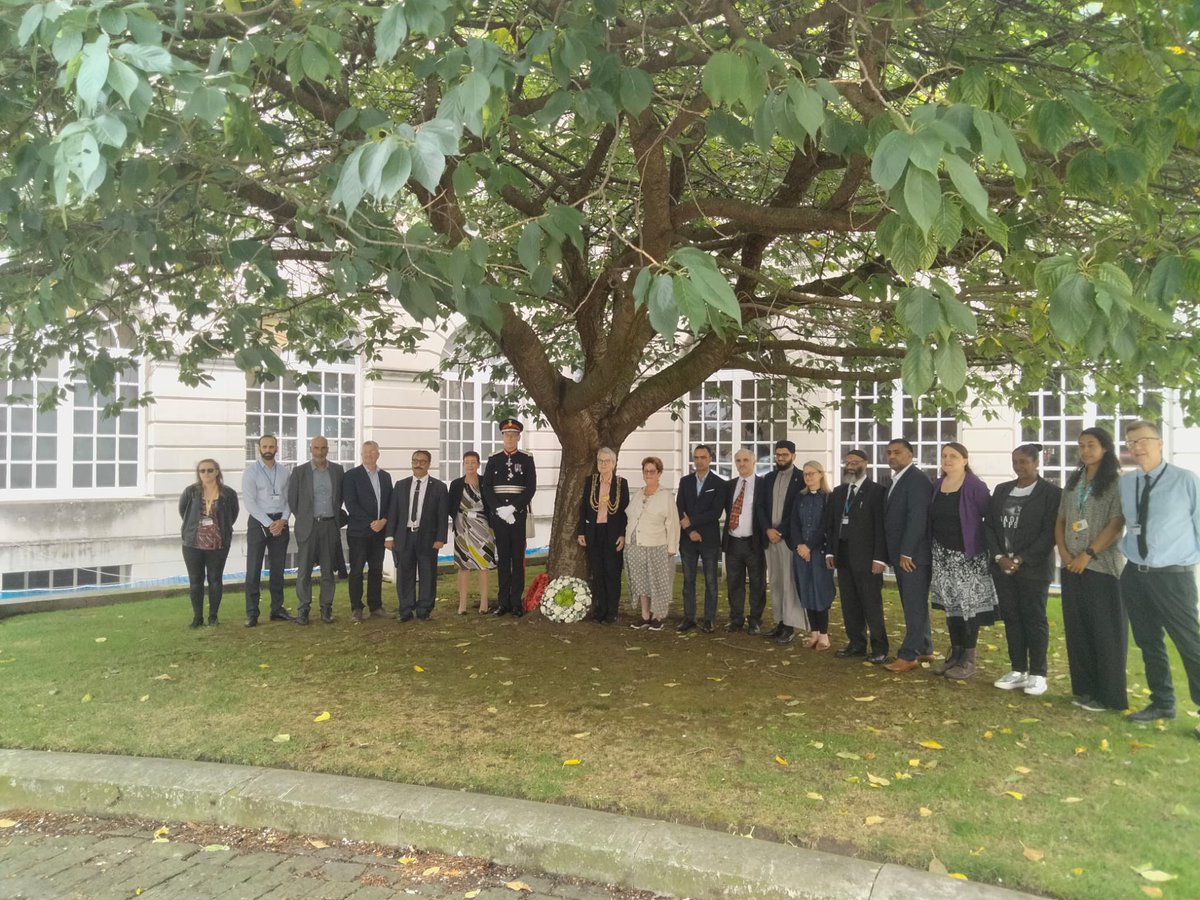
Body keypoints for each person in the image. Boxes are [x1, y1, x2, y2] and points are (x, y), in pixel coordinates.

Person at [1118, 421, 1200, 737]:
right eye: (1130, 442)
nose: (1136, 447)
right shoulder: (1128, 483)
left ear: (1160, 443)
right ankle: (1162, 702)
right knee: (1148, 641)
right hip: (1136, 574)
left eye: (1143, 440)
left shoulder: (1185, 480)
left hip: (1173, 577)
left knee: (1189, 643)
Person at [1056, 427, 1128, 712]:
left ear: (1105, 448)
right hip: (1071, 565)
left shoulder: (1114, 483)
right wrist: (1062, 551)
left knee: (1105, 632)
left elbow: (1116, 522)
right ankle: (1084, 689)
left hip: (1101, 567)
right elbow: (1061, 518)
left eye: (1091, 445)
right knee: (1079, 630)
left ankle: (1108, 696)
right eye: (1081, 445)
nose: (1085, 450)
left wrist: (1088, 554)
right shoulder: (1074, 480)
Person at [985, 444, 1063, 696]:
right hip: (1002, 567)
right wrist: (999, 557)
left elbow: (1049, 532)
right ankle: (1018, 669)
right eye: (1015, 462)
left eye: (1024, 462)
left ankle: (1038, 673)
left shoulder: (1051, 493)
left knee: (1034, 619)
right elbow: (989, 527)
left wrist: (1020, 559)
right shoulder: (1002, 490)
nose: (1019, 467)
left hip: (1033, 569)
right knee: (1011, 618)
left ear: (1036, 463)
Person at [927, 442, 997, 680]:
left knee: (969, 610)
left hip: (968, 558)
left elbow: (990, 517)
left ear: (965, 460)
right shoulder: (937, 485)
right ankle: (955, 655)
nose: (948, 460)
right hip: (943, 557)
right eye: (944, 456)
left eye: (953, 456)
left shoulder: (975, 486)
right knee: (952, 609)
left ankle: (969, 659)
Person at [823, 449, 889, 663]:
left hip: (868, 559)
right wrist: (830, 551)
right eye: (847, 462)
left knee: (871, 604)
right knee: (849, 604)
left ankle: (879, 648)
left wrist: (880, 558)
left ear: (865, 464)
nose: (850, 465)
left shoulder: (877, 491)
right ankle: (856, 644)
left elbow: (881, 527)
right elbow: (832, 525)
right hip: (843, 557)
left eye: (855, 462)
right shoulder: (838, 492)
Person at [882, 439, 934, 673]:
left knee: (913, 605)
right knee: (914, 603)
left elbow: (918, 518)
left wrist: (906, 552)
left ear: (910, 455)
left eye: (897, 452)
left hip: (913, 556)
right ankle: (924, 647)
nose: (892, 456)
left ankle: (909, 654)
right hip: (903, 554)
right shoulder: (898, 478)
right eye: (889, 452)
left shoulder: (917, 480)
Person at [385, 450, 450, 622]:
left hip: (428, 538)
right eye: (415, 460)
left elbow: (442, 515)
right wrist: (389, 537)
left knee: (427, 574)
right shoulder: (400, 485)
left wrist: (441, 538)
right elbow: (393, 513)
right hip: (404, 536)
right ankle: (405, 609)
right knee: (404, 574)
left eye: (422, 461)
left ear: (429, 464)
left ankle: (424, 609)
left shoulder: (439, 487)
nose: (418, 464)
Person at [287, 435, 345, 625]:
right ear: (311, 449)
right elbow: (293, 502)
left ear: (328, 449)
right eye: (316, 448)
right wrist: (304, 518)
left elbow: (339, 498)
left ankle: (326, 608)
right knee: (304, 571)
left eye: (323, 448)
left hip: (329, 526)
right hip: (308, 527)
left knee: (328, 571)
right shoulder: (299, 472)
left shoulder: (337, 470)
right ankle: (303, 609)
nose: (320, 452)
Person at [482, 418, 537, 617]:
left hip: (518, 516)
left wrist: (513, 507)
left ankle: (516, 603)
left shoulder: (526, 458)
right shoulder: (494, 458)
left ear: (519, 437)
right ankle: (503, 602)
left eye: (514, 435)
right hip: (499, 517)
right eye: (507, 434)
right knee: (503, 559)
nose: (510, 438)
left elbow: (530, 488)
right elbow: (487, 487)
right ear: (502, 436)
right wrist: (499, 509)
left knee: (517, 558)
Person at [179, 459, 239, 628]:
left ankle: (213, 616)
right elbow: (183, 512)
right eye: (202, 471)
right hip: (193, 543)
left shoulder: (228, 494)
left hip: (218, 543)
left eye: (210, 470)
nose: (206, 474)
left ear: (217, 472)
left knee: (215, 579)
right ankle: (197, 617)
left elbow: (232, 515)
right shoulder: (190, 492)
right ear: (198, 474)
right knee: (196, 580)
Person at [756, 440, 806, 641]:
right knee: (775, 581)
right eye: (778, 455)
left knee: (789, 582)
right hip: (770, 539)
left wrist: (781, 531)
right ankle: (779, 621)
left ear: (793, 455)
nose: (780, 458)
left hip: (788, 539)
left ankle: (790, 625)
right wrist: (768, 529)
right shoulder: (768, 478)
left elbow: (797, 510)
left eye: (784, 455)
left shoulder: (801, 478)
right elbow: (760, 506)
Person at [241, 435, 293, 627]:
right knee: (253, 569)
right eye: (265, 446)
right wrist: (268, 523)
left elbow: (290, 500)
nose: (268, 449)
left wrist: (283, 520)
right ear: (259, 448)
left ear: (277, 448)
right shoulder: (250, 473)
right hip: (258, 522)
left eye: (271, 446)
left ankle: (277, 609)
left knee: (278, 569)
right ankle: (252, 613)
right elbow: (249, 502)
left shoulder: (284, 472)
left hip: (281, 521)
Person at [676, 444, 727, 633]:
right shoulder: (685, 481)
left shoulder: (719, 483)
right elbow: (679, 507)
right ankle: (689, 618)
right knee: (688, 581)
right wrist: (689, 530)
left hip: (709, 539)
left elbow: (716, 512)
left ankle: (709, 619)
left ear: (710, 459)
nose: (699, 461)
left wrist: (693, 521)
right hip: (688, 539)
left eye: (703, 457)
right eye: (696, 457)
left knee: (711, 581)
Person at [626, 457, 680, 630]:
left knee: (657, 582)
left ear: (659, 473)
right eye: (646, 471)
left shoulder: (666, 496)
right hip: (635, 546)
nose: (648, 474)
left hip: (657, 545)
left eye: (652, 471)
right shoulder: (638, 494)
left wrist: (672, 548)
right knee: (641, 581)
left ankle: (658, 616)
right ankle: (644, 615)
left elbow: (673, 523)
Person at [577, 447, 630, 625]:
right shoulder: (590, 482)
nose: (603, 464)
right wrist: (581, 531)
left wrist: (623, 535)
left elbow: (624, 512)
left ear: (614, 464)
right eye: (600, 461)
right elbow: (583, 508)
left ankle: (612, 612)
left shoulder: (622, 484)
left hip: (612, 533)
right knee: (597, 572)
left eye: (607, 461)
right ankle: (600, 610)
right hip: (594, 532)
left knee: (612, 572)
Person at [342, 441, 393, 623]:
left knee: (376, 570)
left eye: (372, 452)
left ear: (378, 454)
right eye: (366, 452)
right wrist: (372, 522)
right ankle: (356, 608)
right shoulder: (351, 476)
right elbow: (351, 504)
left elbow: (390, 503)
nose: (369, 455)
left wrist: (384, 521)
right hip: (359, 532)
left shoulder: (386, 477)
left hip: (379, 532)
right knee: (356, 571)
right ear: (361, 455)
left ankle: (376, 606)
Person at [792, 460, 836, 649]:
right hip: (801, 552)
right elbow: (793, 524)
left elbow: (826, 526)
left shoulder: (828, 498)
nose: (808, 477)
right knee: (806, 591)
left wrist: (809, 546)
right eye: (805, 474)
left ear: (820, 474)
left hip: (820, 552)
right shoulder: (799, 497)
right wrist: (800, 546)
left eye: (812, 473)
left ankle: (824, 635)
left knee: (820, 591)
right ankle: (814, 633)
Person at [723, 449, 767, 634]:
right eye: (738, 460)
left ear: (754, 461)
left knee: (757, 582)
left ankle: (755, 620)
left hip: (753, 543)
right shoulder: (730, 485)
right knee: (734, 582)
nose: (742, 464)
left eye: (745, 460)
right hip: (733, 541)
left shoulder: (763, 485)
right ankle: (736, 618)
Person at [448, 451, 495, 615]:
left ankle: (484, 603)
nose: (470, 465)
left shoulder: (486, 482)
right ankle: (462, 604)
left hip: (483, 527)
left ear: (478, 464)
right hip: (462, 527)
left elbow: (492, 503)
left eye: (473, 462)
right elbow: (450, 505)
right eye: (467, 462)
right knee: (463, 566)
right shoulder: (456, 484)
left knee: (483, 565)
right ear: (463, 464)